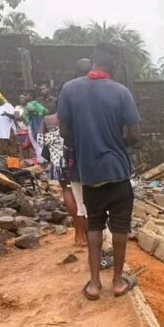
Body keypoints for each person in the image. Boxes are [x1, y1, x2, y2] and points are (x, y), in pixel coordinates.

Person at [58, 43, 141, 300]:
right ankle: (117, 282)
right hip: (117, 172)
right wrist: (117, 144)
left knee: (94, 223)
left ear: (93, 61)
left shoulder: (70, 90)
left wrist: (83, 145)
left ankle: (94, 284)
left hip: (89, 174)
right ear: (114, 66)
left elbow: (64, 133)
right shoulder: (121, 92)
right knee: (120, 226)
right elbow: (135, 135)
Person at [37, 110, 87, 246]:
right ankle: (89, 232)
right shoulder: (77, 116)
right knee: (83, 195)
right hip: (77, 161)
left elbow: (40, 140)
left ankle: (79, 234)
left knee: (67, 191)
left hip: (60, 163)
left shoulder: (48, 120)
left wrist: (55, 137)